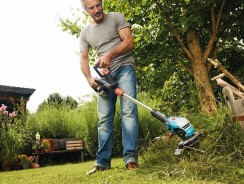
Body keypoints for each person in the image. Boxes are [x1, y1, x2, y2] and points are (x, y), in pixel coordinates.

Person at [79, 0, 139, 175]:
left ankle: (131, 159)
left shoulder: (116, 18)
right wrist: (89, 78)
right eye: (92, 7)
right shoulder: (86, 32)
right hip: (105, 77)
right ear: (86, 10)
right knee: (104, 118)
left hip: (125, 68)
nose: (97, 9)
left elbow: (129, 42)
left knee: (128, 111)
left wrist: (110, 54)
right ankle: (102, 162)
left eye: (98, 4)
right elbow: (83, 58)